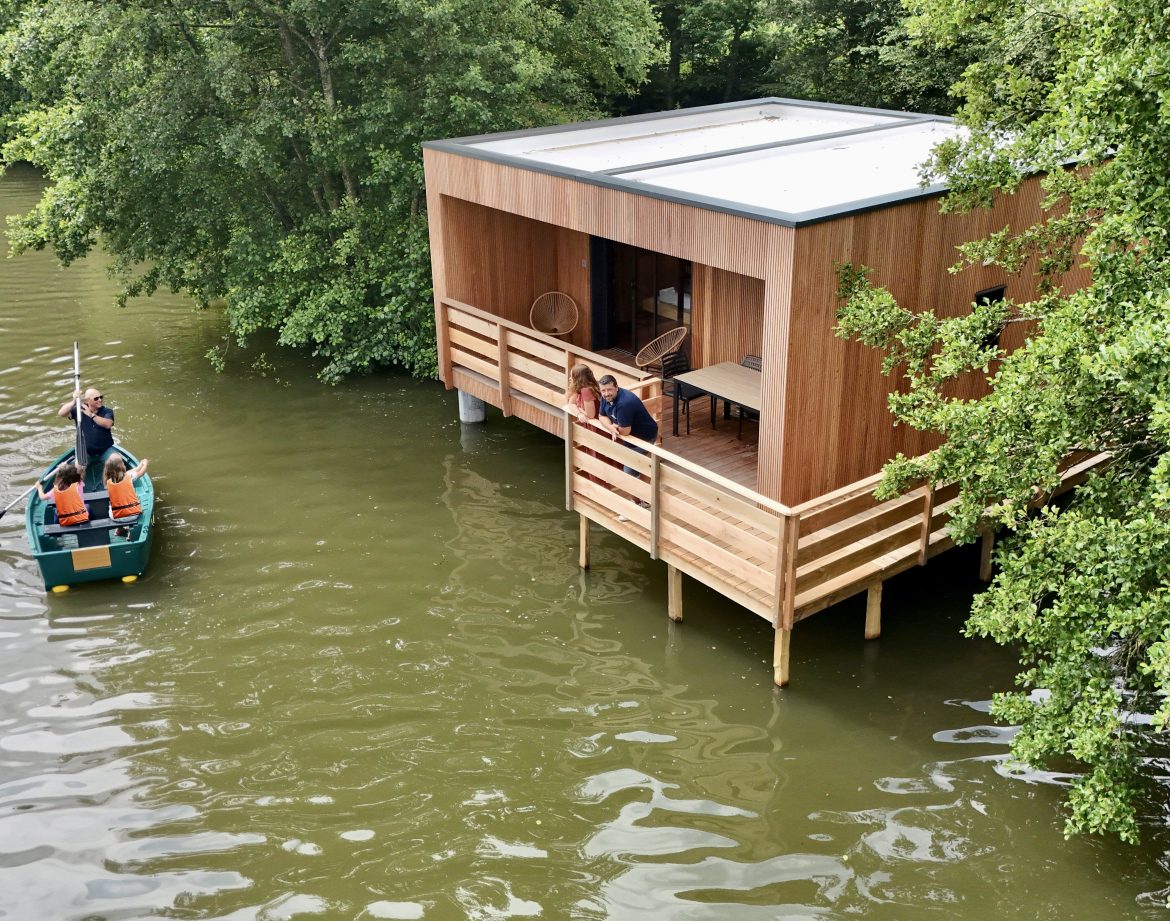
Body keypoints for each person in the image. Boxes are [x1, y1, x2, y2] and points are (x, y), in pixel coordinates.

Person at [597, 374, 658, 478]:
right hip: (628, 437)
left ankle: (639, 489)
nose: (606, 393)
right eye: (603, 390)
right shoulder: (606, 397)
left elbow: (625, 431)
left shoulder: (624, 403)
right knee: (623, 459)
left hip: (643, 438)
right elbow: (601, 416)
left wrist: (614, 427)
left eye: (609, 390)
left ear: (617, 388)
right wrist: (612, 427)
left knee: (629, 473)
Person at [57, 388, 115, 470]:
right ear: (88, 400)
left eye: (101, 397)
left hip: (105, 449)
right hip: (85, 451)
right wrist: (74, 401)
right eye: (96, 398)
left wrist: (91, 414)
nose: (100, 400)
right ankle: (80, 481)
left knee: (116, 460)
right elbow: (61, 413)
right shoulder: (79, 409)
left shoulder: (107, 411)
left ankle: (107, 481)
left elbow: (108, 424)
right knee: (80, 467)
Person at [103, 454, 148, 536]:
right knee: (133, 501)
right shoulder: (129, 477)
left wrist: (139, 465)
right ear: (122, 466)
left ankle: (119, 530)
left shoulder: (108, 482)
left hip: (115, 517)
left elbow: (132, 471)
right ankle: (130, 532)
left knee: (114, 504)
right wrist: (145, 464)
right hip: (132, 515)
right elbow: (141, 472)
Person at [37, 462, 88, 526]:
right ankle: (89, 523)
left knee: (56, 512)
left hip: (66, 519)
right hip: (81, 518)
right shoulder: (79, 482)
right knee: (87, 507)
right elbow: (81, 471)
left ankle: (57, 528)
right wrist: (64, 467)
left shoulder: (56, 489)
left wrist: (39, 487)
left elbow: (42, 497)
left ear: (60, 477)